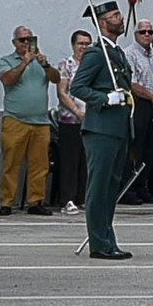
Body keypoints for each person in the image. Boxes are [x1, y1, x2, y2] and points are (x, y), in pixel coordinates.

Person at [69, 0, 135, 260]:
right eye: (115, 15)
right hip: (101, 128)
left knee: (110, 187)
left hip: (119, 127)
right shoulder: (97, 54)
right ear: (102, 22)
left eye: (119, 14)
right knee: (98, 187)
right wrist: (105, 99)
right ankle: (99, 242)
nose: (120, 18)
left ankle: (108, 238)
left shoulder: (116, 53)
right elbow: (78, 87)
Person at [0, 25, 58, 216]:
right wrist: (24, 63)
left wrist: (45, 65)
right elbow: (7, 80)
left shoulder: (41, 61)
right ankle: (6, 202)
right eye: (22, 40)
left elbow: (56, 79)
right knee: (11, 164)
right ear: (14, 42)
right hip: (16, 120)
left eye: (29, 39)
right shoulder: (7, 61)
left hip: (40, 121)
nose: (26, 43)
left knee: (40, 165)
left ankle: (35, 201)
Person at [122, 17, 153, 204]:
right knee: (136, 148)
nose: (147, 35)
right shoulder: (129, 53)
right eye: (143, 32)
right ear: (136, 34)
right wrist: (151, 96)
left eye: (150, 32)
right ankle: (129, 188)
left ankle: (143, 186)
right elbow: (131, 83)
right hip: (140, 104)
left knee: (151, 148)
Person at [55, 30, 92, 215]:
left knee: (86, 160)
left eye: (87, 44)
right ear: (73, 45)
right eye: (80, 44)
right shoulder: (66, 65)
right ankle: (67, 199)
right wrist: (77, 111)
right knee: (70, 160)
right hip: (70, 120)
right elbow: (62, 92)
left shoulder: (92, 65)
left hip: (90, 120)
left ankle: (83, 197)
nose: (83, 47)